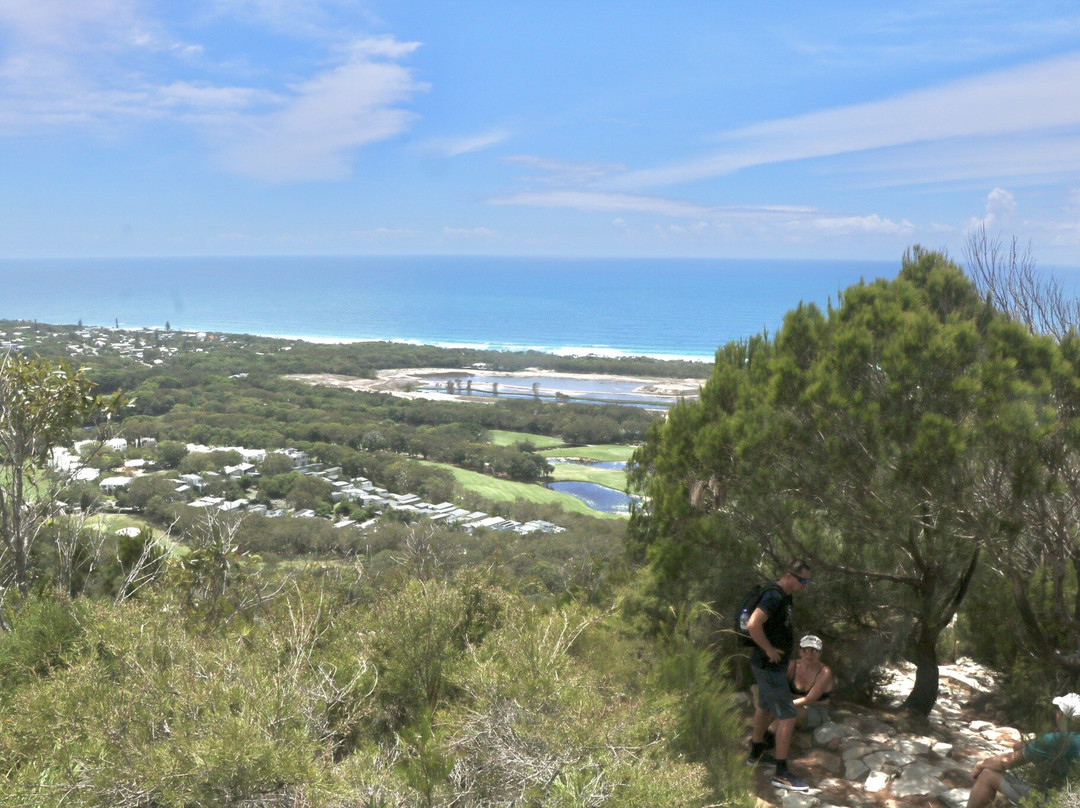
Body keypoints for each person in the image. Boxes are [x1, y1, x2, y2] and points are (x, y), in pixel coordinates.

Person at [746, 560, 813, 793]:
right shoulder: (774, 596)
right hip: (769, 666)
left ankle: (756, 753)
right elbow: (753, 624)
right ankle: (781, 774)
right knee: (788, 716)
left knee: (764, 707)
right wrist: (769, 649)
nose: (805, 585)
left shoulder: (785, 596)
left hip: (770, 666)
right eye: (802, 580)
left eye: (808, 581)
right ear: (789, 575)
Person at [966, 693, 1080, 808]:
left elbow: (1006, 762)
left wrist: (981, 764)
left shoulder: (1056, 740)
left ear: (1059, 714)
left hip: (1056, 802)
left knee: (987, 775)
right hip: (1072, 799)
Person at [788, 634, 833, 728]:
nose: (809, 654)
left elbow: (810, 699)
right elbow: (778, 686)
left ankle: (769, 734)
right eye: (805, 650)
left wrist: (786, 703)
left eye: (814, 650)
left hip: (816, 710)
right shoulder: (792, 665)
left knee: (787, 712)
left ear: (820, 653)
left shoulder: (824, 672)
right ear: (800, 651)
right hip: (792, 703)